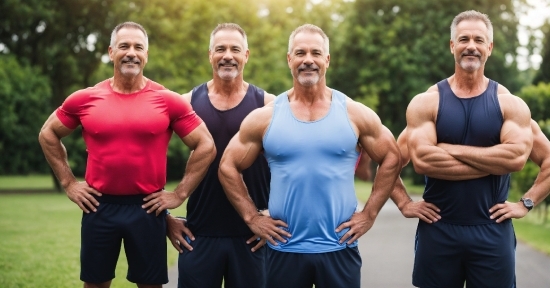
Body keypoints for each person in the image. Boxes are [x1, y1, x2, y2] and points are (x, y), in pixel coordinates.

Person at [218, 24, 402, 288]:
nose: (308, 60)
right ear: (289, 59)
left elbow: (392, 157)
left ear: (326, 60)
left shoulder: (355, 113)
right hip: (284, 249)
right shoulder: (265, 117)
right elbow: (227, 166)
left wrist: (370, 214)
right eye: (300, 53)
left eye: (315, 53)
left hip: (339, 247)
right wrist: (252, 217)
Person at [38, 22, 215, 288]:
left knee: (150, 285)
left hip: (147, 208)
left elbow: (206, 145)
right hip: (99, 206)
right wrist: (69, 183)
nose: (131, 52)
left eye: (138, 47)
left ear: (146, 54)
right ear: (111, 52)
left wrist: (179, 194)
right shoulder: (86, 98)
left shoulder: (167, 100)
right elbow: (48, 134)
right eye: (124, 46)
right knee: (95, 284)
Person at [405, 10, 533, 287]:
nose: (471, 45)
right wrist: (403, 202)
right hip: (438, 227)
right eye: (463, 39)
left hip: (491, 229)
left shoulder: (508, 104)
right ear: (452, 46)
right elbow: (415, 159)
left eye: (479, 39)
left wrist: (527, 203)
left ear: (490, 47)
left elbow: (517, 157)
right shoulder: (428, 102)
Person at [162, 23, 276, 288]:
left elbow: (292, 162)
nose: (228, 55)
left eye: (235, 49)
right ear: (210, 55)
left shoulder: (268, 104)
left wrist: (276, 214)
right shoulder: (186, 102)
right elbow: (147, 154)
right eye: (220, 49)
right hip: (198, 236)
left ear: (246, 55)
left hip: (253, 237)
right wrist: (164, 219)